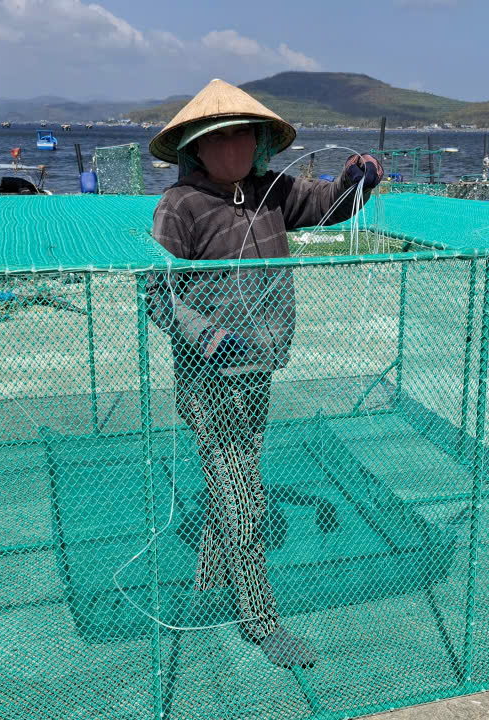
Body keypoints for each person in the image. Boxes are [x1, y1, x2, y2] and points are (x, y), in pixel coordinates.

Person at [146, 79, 382, 668]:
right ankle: (261, 619)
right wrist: (207, 336)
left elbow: (329, 205)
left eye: (243, 136)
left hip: (259, 369)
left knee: (234, 479)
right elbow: (155, 291)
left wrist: (356, 181)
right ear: (195, 147)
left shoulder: (275, 192)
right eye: (220, 137)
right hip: (208, 379)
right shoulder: (179, 206)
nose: (233, 147)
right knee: (243, 498)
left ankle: (208, 576)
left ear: (259, 142)